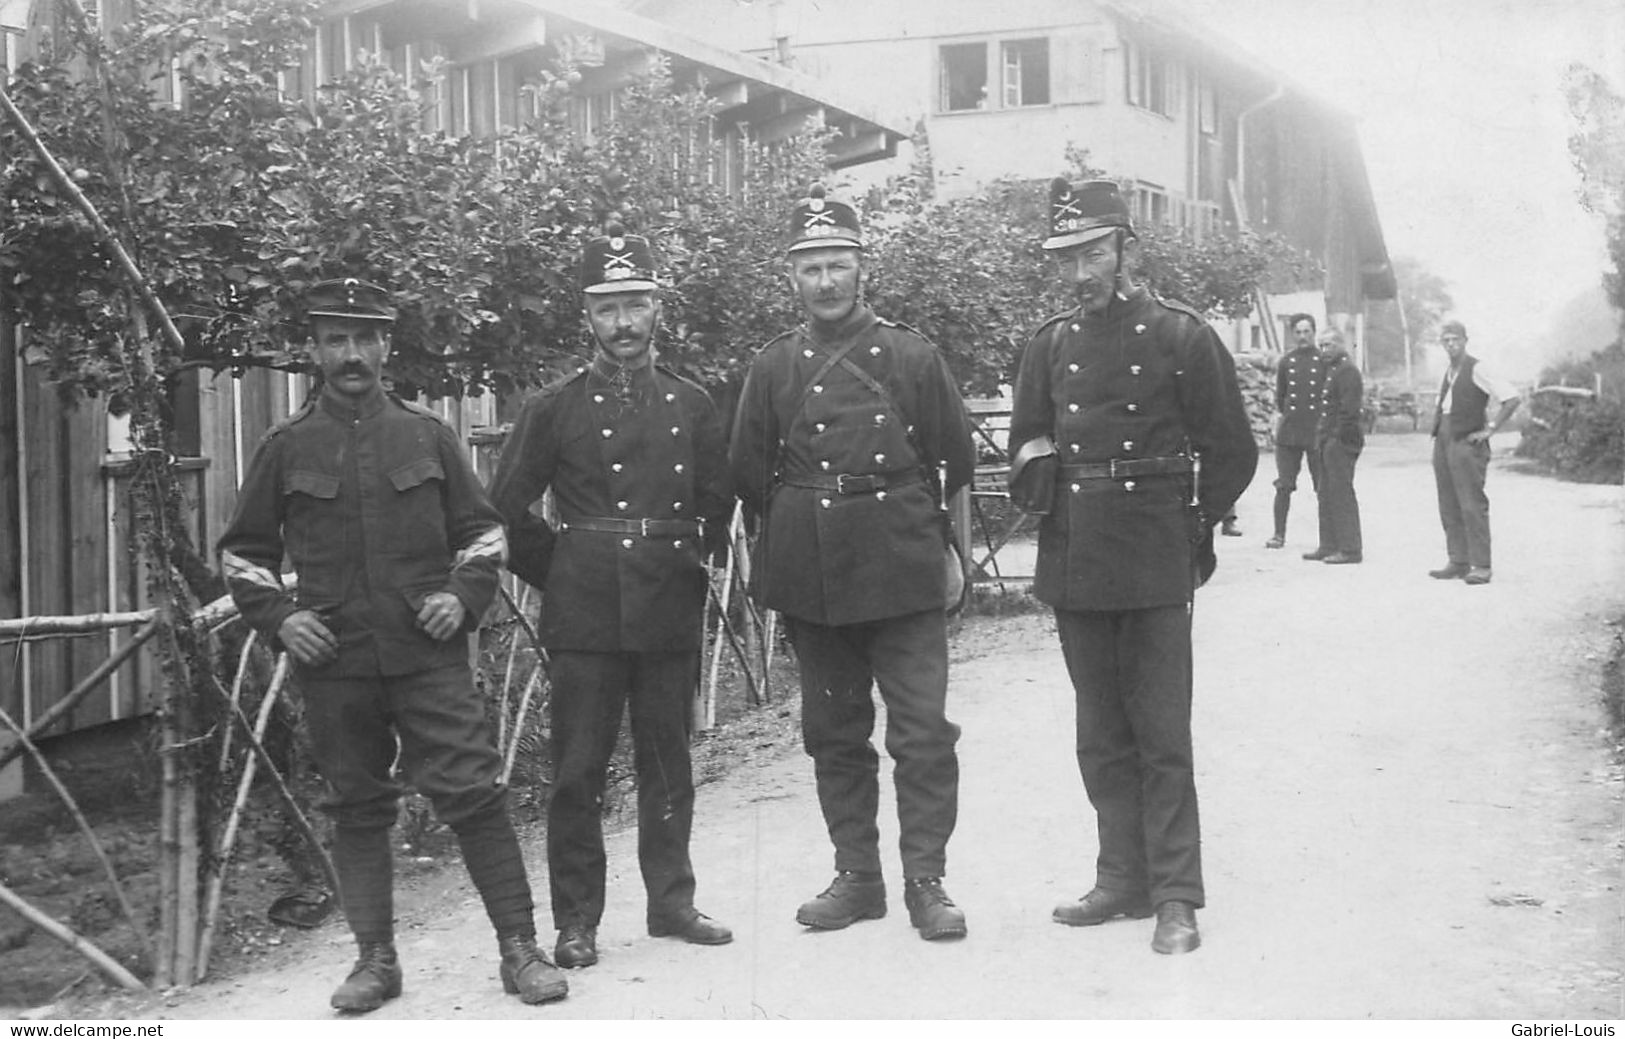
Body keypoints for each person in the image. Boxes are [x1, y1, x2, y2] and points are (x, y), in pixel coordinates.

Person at [217, 278, 568, 1012]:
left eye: (364, 338)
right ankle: (376, 961)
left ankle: (519, 949)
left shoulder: (428, 436)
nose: (351, 354)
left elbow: (484, 532)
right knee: (356, 806)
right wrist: (279, 617)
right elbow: (242, 554)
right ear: (314, 350)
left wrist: (460, 597)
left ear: (386, 346)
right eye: (335, 339)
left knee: (474, 792)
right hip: (335, 661)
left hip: (427, 655)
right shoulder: (286, 448)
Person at [1007, 179, 1256, 955]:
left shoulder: (1181, 336)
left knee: (1159, 730)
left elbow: (1232, 450)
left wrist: (1189, 526)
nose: (1081, 272)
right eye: (1066, 258)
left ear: (1127, 250)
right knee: (1099, 731)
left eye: (1092, 252)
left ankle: (1176, 894)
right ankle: (1121, 877)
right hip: (1077, 554)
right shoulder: (1048, 344)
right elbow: (1024, 446)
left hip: (1152, 554)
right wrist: (1046, 484)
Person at [730, 184, 976, 941]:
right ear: (791, 278)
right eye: (811, 268)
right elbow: (746, 473)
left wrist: (954, 560)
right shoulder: (772, 367)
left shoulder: (910, 355)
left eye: (838, 264)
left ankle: (926, 881)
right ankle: (858, 876)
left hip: (901, 564)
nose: (826, 281)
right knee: (834, 731)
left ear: (861, 267)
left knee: (922, 731)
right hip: (816, 575)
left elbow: (955, 460)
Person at [488, 224, 734, 970]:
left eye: (635, 305)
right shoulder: (554, 406)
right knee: (577, 769)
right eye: (607, 309)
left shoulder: (692, 404)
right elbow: (504, 507)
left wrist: (694, 563)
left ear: (658, 307)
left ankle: (672, 901)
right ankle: (576, 920)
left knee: (669, 761)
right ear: (585, 317)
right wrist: (561, 569)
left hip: (666, 603)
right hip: (586, 610)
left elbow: (715, 502)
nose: (622, 325)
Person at [1428, 319, 1521, 585]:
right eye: (1446, 340)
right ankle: (1458, 560)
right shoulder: (1447, 372)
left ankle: (1481, 565)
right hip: (1443, 440)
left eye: (1455, 339)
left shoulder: (1477, 368)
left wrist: (1490, 429)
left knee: (1471, 503)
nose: (1451, 344)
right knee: (1448, 502)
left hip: (1466, 443)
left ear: (1465, 341)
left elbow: (1511, 398)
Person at [1265, 314, 1327, 549]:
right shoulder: (1286, 362)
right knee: (1284, 485)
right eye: (1298, 332)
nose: (1302, 336)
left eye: (1307, 331)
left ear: (1314, 332)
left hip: (1315, 432)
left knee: (1322, 485)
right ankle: (1278, 534)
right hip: (1289, 433)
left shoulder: (1322, 361)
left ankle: (1326, 538)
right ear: (1293, 335)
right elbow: (1281, 397)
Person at [1302, 328, 1364, 564]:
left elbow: (1349, 413)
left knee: (1341, 493)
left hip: (1340, 442)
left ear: (1341, 344)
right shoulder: (1332, 370)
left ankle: (1350, 549)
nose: (1324, 350)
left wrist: (1335, 440)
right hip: (1327, 439)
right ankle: (1328, 545)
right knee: (1325, 493)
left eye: (1328, 345)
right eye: (1321, 345)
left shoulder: (1347, 371)